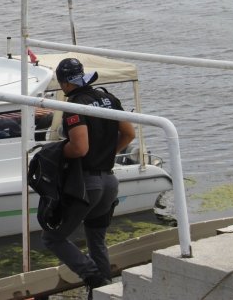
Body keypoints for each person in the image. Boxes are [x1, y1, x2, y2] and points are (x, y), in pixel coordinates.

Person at [41, 58, 135, 299]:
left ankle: (92, 275)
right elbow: (129, 133)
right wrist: (107, 153)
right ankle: (103, 292)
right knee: (96, 239)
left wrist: (56, 151)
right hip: (109, 182)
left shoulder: (76, 104)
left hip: (86, 185)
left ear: (65, 83)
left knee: (52, 237)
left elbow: (80, 148)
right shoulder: (108, 98)